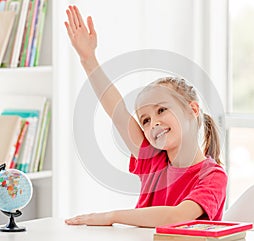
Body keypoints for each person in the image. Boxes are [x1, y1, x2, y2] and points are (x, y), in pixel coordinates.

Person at [64, 5, 227, 228]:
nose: (154, 123)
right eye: (145, 120)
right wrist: (88, 58)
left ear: (193, 110)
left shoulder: (213, 176)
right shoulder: (153, 160)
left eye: (161, 110)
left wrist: (111, 216)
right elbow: (118, 112)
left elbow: (176, 218)